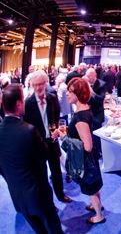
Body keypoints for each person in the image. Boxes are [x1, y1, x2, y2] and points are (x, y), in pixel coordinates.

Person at [0, 84, 64, 234]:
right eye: (23, 99)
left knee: (38, 229)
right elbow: (45, 155)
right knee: (54, 227)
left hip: (17, 193)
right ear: (18, 104)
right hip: (38, 192)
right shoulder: (28, 130)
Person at [59, 77, 105, 224]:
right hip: (90, 157)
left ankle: (99, 216)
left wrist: (64, 137)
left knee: (90, 188)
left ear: (78, 94)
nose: (67, 94)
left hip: (85, 160)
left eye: (70, 92)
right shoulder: (85, 108)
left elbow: (87, 146)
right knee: (94, 185)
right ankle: (99, 206)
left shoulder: (80, 117)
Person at [23, 70, 72, 204]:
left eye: (40, 84)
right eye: (35, 85)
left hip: (52, 141)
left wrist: (56, 128)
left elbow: (56, 115)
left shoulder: (52, 98)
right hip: (37, 144)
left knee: (56, 171)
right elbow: (26, 126)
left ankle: (60, 195)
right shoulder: (27, 103)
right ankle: (48, 203)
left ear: (46, 83)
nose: (38, 88)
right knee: (42, 175)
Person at [85, 68, 106, 155]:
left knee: (96, 135)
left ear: (94, 76)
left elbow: (101, 100)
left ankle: (99, 153)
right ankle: (93, 151)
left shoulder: (101, 84)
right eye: (87, 76)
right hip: (88, 113)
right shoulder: (86, 83)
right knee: (89, 134)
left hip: (97, 114)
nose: (88, 78)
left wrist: (92, 92)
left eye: (89, 76)